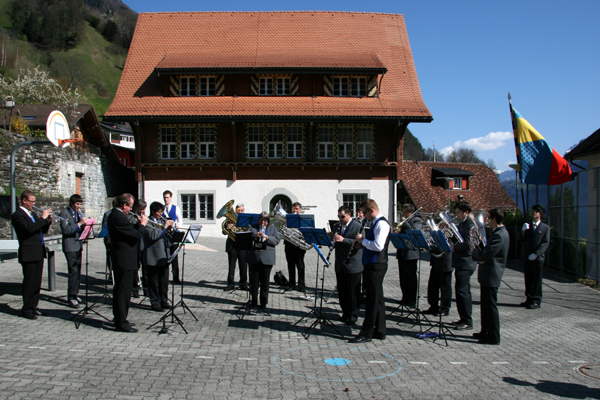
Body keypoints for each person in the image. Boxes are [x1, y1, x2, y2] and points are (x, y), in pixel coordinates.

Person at [350, 199, 391, 343]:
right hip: (371, 263)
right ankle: (380, 331)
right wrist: (363, 245)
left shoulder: (381, 223)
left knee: (371, 301)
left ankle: (366, 333)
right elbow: (372, 244)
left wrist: (363, 240)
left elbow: (379, 246)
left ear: (372, 210)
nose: (364, 216)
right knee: (378, 299)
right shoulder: (374, 223)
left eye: (365, 212)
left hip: (376, 265)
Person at [107, 193, 148, 332]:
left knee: (123, 292)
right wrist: (142, 225)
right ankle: (121, 322)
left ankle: (121, 318)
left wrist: (137, 224)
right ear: (124, 205)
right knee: (122, 293)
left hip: (125, 259)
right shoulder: (117, 216)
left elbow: (130, 232)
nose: (131, 209)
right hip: (123, 259)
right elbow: (136, 236)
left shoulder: (119, 215)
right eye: (130, 206)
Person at [11, 190, 52, 320]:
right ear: (24, 201)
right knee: (29, 282)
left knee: (36, 282)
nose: (33, 204)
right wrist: (42, 218)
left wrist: (47, 221)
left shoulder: (32, 214)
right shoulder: (17, 215)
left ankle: (34, 306)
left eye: (34, 201)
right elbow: (29, 229)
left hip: (38, 251)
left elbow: (40, 229)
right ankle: (27, 309)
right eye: (31, 201)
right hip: (28, 252)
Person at [472, 209, 509, 345]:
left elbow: (487, 254)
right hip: (488, 273)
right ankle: (485, 330)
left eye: (489, 218)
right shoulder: (496, 233)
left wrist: (474, 253)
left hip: (492, 273)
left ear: (494, 219)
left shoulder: (500, 235)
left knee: (491, 306)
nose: (487, 220)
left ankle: (494, 336)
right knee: (485, 305)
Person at [333, 206, 364, 325]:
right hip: (340, 264)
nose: (340, 219)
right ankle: (345, 312)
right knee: (342, 291)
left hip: (353, 264)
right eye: (339, 216)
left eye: (342, 216)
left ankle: (353, 314)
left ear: (349, 214)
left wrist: (343, 240)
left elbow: (360, 243)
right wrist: (332, 241)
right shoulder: (337, 226)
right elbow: (335, 240)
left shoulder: (358, 226)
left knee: (353, 292)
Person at [449, 201, 477, 331]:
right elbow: (459, 239)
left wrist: (454, 247)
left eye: (459, 212)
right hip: (461, 262)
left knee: (462, 291)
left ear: (466, 212)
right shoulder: (463, 224)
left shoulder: (469, 225)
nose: (457, 215)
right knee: (462, 291)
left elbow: (467, 244)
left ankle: (467, 320)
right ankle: (463, 318)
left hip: (466, 263)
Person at [144, 202, 175, 312]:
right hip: (153, 254)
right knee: (153, 281)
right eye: (159, 212)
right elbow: (153, 236)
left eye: (162, 212)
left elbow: (168, 237)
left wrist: (170, 229)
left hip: (164, 255)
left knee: (164, 280)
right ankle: (155, 302)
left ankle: (164, 300)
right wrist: (164, 228)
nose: (161, 214)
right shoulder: (147, 221)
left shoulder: (162, 220)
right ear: (153, 211)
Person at [59, 194, 88, 308]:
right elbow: (66, 230)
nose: (78, 207)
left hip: (78, 245)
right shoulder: (64, 213)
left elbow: (79, 229)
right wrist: (79, 223)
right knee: (73, 272)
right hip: (70, 246)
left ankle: (75, 294)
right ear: (71, 203)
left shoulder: (77, 213)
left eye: (80, 204)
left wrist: (85, 226)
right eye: (77, 204)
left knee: (78, 271)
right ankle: (71, 296)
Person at [246, 212, 280, 309]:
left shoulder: (273, 229)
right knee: (254, 282)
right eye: (262, 220)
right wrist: (254, 236)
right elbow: (247, 237)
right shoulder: (252, 227)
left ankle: (263, 302)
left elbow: (277, 240)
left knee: (265, 282)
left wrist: (267, 237)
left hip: (267, 258)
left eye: (265, 220)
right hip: (254, 258)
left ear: (268, 221)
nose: (263, 222)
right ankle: (253, 300)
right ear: (258, 220)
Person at [519, 204, 550, 309]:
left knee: (536, 279)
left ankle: (536, 299)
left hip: (537, 258)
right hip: (528, 257)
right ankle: (529, 298)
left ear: (540, 214)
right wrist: (523, 231)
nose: (534, 213)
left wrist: (536, 254)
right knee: (528, 278)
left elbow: (545, 243)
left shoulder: (545, 228)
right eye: (533, 211)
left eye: (536, 211)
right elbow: (521, 239)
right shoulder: (528, 226)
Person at [395, 204, 422, 308]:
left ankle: (411, 300)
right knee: (403, 277)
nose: (403, 214)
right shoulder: (406, 221)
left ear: (411, 213)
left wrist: (404, 223)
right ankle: (404, 297)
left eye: (405, 212)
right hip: (402, 252)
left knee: (410, 277)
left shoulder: (416, 220)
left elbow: (414, 232)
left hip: (411, 254)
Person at [422, 242, 453, 317]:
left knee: (445, 287)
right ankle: (433, 306)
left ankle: (445, 308)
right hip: (436, 259)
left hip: (445, 261)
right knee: (433, 285)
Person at [224, 203, 249, 291]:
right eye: (239, 210)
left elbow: (249, 231)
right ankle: (230, 283)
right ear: (235, 211)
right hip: (232, 245)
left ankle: (243, 283)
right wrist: (227, 227)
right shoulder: (229, 219)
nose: (240, 212)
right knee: (231, 265)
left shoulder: (247, 219)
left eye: (242, 210)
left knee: (243, 265)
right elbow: (224, 231)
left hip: (242, 245)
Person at [284, 202, 306, 292]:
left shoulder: (304, 220)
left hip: (299, 245)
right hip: (289, 244)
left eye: (297, 209)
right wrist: (284, 228)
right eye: (293, 209)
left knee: (300, 265)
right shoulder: (287, 219)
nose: (295, 210)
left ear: (300, 210)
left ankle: (301, 285)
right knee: (290, 265)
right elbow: (285, 231)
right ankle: (291, 284)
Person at [163, 190, 183, 283]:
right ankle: (164, 277)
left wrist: (177, 225)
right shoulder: (162, 209)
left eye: (167, 197)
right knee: (165, 257)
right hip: (165, 235)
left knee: (174, 257)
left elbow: (180, 220)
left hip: (174, 235)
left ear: (171, 197)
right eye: (164, 197)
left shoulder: (176, 208)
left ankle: (176, 278)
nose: (166, 199)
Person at [132, 199, 148, 298]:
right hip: (135, 245)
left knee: (146, 269)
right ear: (135, 208)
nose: (141, 211)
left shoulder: (145, 217)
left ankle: (146, 290)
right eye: (140, 209)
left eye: (143, 209)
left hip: (144, 244)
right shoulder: (131, 216)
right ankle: (135, 289)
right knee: (135, 268)